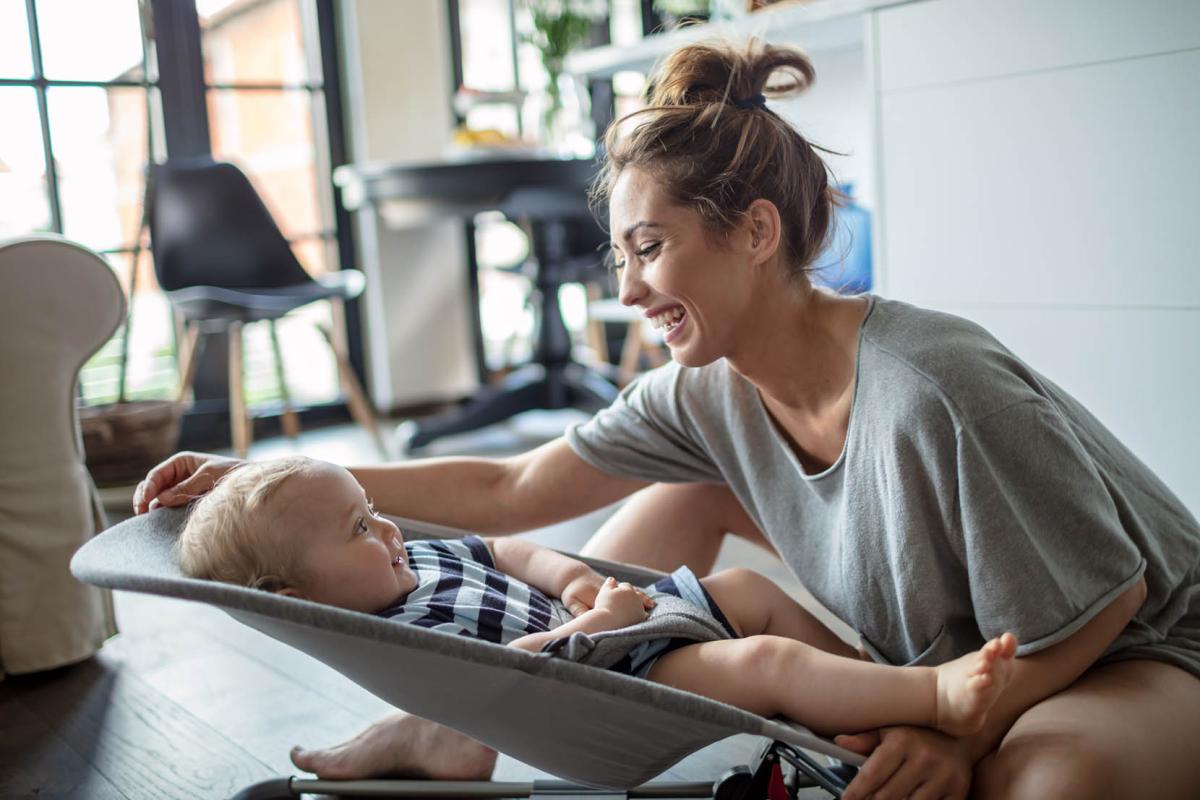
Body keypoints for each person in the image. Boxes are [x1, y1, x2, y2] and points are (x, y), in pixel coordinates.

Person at [134, 38, 1200, 800]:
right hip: (932, 649)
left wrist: (957, 730)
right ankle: (457, 717)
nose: (630, 289)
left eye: (649, 249)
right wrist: (249, 472)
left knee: (1047, 780)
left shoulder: (936, 386)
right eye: (619, 258)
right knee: (686, 487)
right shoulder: (704, 390)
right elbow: (512, 488)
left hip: (1132, 648)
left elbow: (1108, 602)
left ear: (754, 230)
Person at [177, 455, 1020, 741]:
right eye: (359, 530)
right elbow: (503, 678)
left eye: (375, 513)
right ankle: (931, 697)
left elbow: (501, 544)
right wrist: (594, 620)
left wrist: (569, 577)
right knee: (763, 660)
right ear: (294, 596)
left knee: (747, 591)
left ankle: (865, 701)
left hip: (626, 630)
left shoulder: (416, 564)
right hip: (615, 676)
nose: (389, 533)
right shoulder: (406, 627)